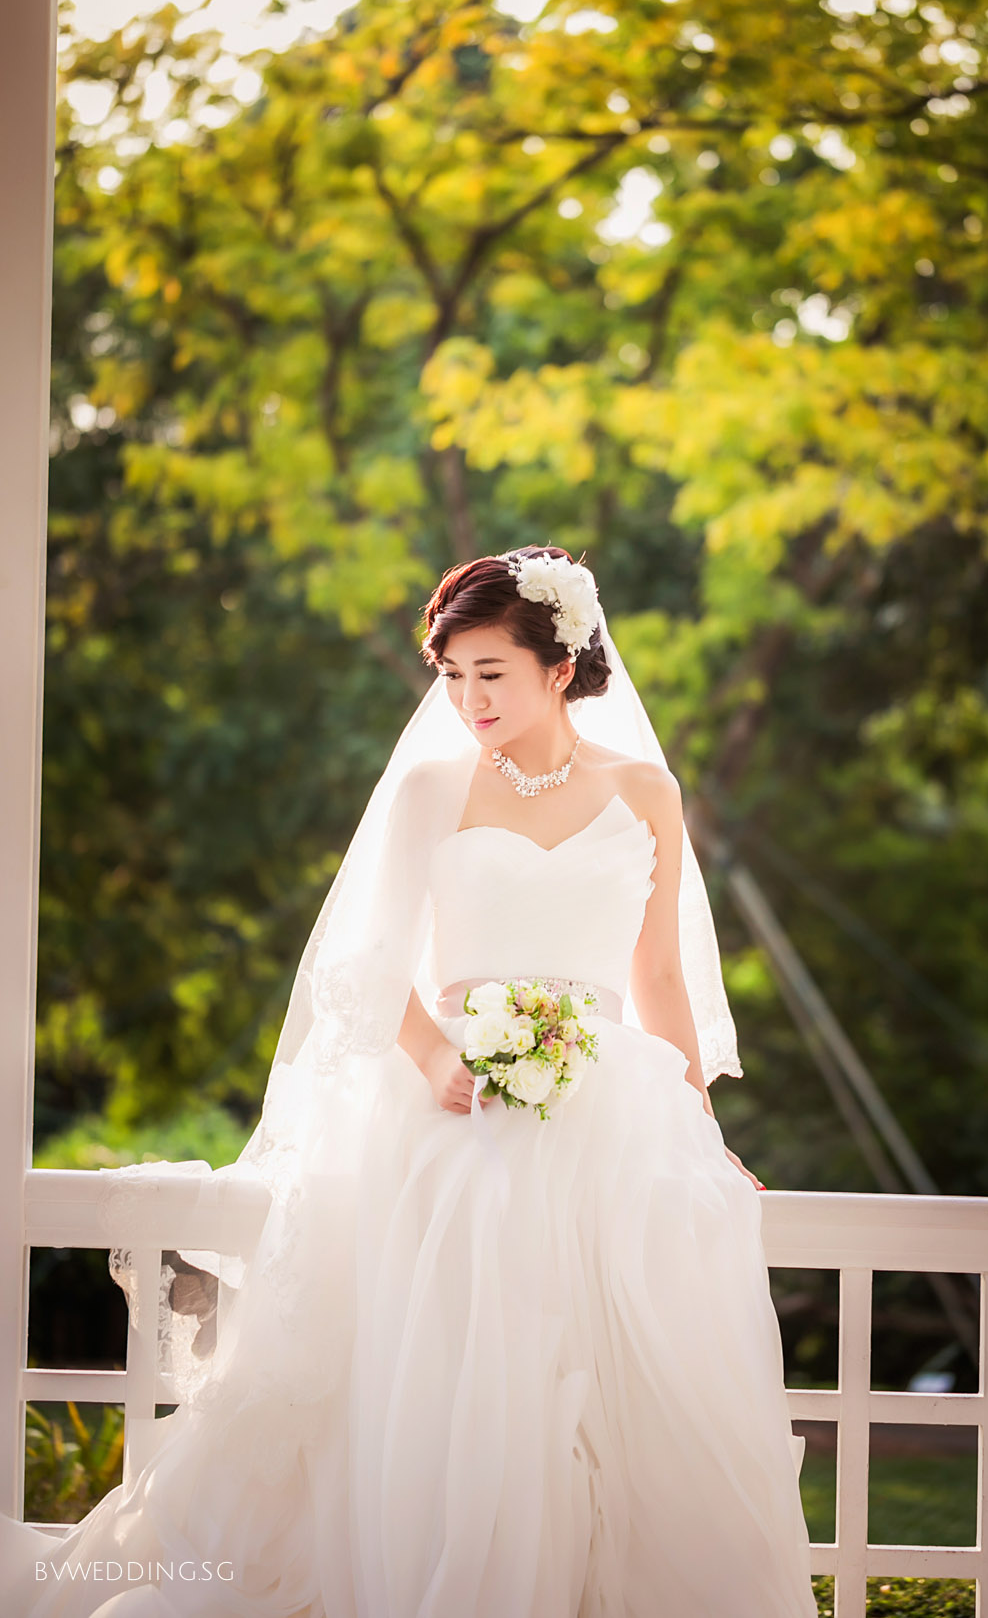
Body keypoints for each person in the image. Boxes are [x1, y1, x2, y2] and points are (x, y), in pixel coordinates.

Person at [1, 546, 817, 1617]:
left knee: (625, 1375)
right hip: (454, 1107)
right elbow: (363, 963)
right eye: (453, 676)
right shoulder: (433, 788)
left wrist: (699, 1124)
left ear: (559, 668)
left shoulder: (645, 792)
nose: (470, 699)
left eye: (494, 674)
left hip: (612, 1109)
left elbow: (657, 973)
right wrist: (438, 1056)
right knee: (457, 1367)